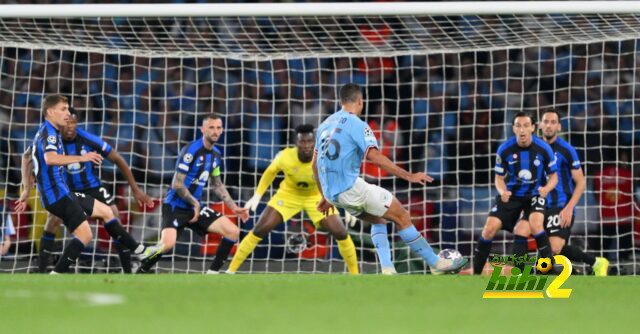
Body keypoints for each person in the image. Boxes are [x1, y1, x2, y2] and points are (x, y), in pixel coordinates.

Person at [313, 83, 467, 274]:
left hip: (335, 194)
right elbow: (375, 157)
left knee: (379, 220)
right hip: (352, 189)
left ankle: (388, 269)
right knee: (401, 215)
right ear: (360, 101)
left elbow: (315, 166)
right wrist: (408, 175)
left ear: (341, 101)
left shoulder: (324, 125)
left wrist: (326, 196)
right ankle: (436, 264)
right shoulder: (359, 125)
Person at [15, 95, 160, 274]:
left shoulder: (52, 132)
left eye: (69, 112)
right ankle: (47, 272)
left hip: (79, 188)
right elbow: (49, 158)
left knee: (108, 212)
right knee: (80, 233)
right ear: (50, 112)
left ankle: (138, 256)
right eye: (64, 110)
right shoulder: (50, 134)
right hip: (60, 193)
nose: (68, 115)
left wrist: (26, 188)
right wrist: (82, 157)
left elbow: (27, 156)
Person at [228, 124, 359, 275]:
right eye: (302, 142)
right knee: (259, 230)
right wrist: (257, 195)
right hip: (288, 195)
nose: (306, 145)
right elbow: (270, 172)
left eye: (310, 141)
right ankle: (230, 271)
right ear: (296, 143)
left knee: (341, 232)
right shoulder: (285, 156)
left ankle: (355, 274)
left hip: (316, 197)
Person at [137, 114, 249, 274]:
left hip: (195, 207)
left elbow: (217, 184)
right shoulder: (190, 151)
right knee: (166, 245)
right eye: (211, 127)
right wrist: (195, 203)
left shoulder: (216, 155)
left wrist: (234, 207)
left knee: (233, 231)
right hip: (176, 205)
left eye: (218, 127)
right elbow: (177, 184)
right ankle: (141, 269)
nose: (215, 131)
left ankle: (212, 275)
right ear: (202, 129)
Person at [473, 111, 558, 274]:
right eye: (518, 126)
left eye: (526, 125)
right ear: (513, 128)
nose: (522, 130)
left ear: (533, 128)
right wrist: (502, 191)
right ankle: (476, 274)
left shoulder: (543, 149)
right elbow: (498, 178)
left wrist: (546, 188)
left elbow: (554, 177)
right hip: (511, 195)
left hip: (535, 194)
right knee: (489, 229)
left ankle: (549, 268)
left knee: (535, 224)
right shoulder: (504, 149)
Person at [535, 109, 608, 275]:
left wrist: (568, 208)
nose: (549, 125)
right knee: (548, 259)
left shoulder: (566, 149)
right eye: (546, 121)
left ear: (559, 126)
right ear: (540, 125)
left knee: (554, 248)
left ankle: (595, 262)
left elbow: (581, 182)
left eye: (553, 122)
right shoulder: (535, 149)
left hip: (561, 205)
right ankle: (578, 273)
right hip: (540, 207)